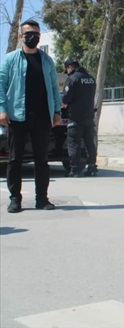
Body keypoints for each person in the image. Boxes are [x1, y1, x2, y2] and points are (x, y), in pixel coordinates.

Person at [0, 19, 62, 213]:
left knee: (41, 160)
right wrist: (2, 109)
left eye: (35, 34)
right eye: (28, 34)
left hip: (43, 117)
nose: (32, 37)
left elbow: (54, 87)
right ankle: (15, 199)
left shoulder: (46, 60)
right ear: (21, 37)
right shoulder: (10, 59)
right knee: (15, 160)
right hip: (17, 116)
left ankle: (42, 199)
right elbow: (0, 84)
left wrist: (57, 111)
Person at [62, 58, 98, 177]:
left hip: (75, 117)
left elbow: (66, 98)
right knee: (89, 144)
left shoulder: (72, 79)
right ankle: (92, 167)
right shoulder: (91, 79)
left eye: (67, 70)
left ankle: (75, 170)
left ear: (70, 67)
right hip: (89, 116)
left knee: (74, 143)